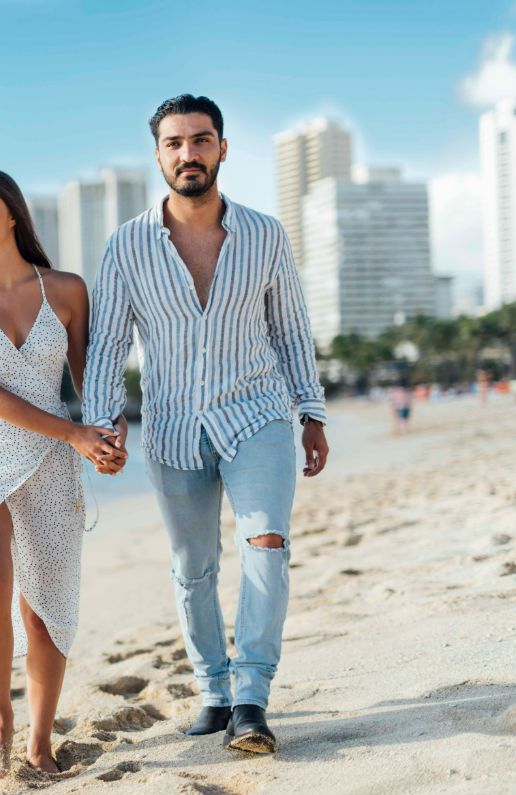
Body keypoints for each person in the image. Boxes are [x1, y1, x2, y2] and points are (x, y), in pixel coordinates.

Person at [83, 95, 329, 755]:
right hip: (170, 425)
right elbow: (107, 343)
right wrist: (103, 421)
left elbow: (291, 331)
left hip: (258, 414)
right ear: (158, 154)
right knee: (193, 567)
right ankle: (214, 693)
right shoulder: (127, 245)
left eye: (200, 140)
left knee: (266, 545)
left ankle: (252, 695)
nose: (188, 153)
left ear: (222, 148)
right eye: (174, 143)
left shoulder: (265, 234)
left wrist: (312, 412)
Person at [0, 167, 126, 776]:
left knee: (44, 604)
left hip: (49, 463)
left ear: (13, 214)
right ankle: (0, 718)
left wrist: (108, 437)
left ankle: (39, 741)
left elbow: (91, 382)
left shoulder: (66, 290)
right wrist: (76, 433)